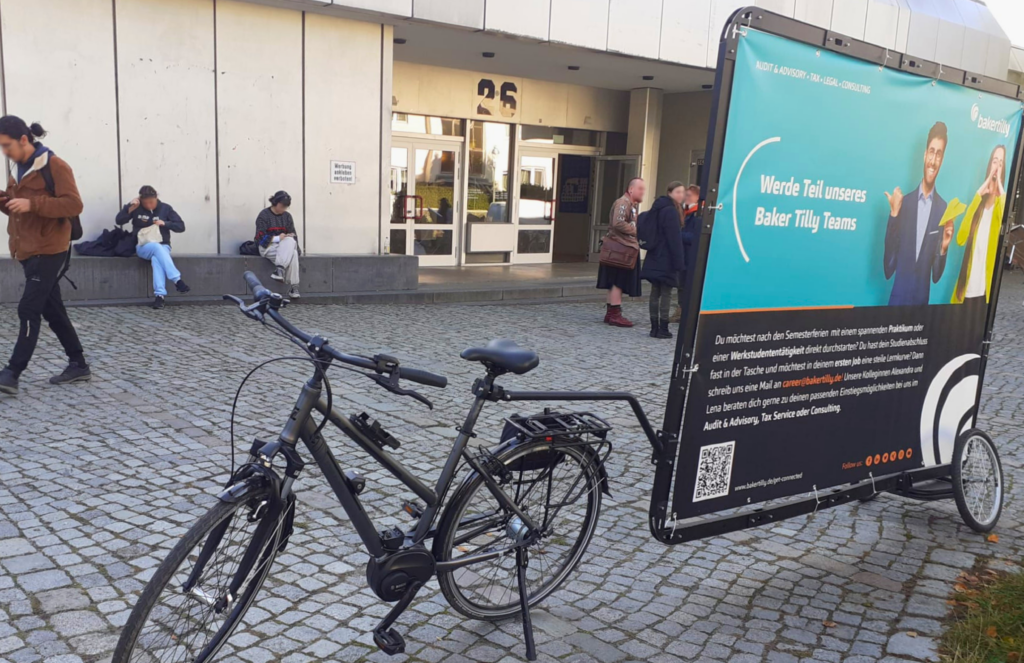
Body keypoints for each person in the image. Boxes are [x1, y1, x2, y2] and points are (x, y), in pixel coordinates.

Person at [0, 117, 90, 395]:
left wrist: (32, 203)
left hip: (50, 250)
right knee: (53, 309)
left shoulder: (55, 165)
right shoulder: (20, 167)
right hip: (28, 251)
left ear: (23, 140)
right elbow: (20, 211)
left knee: (29, 309)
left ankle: (12, 373)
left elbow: (74, 203)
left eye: (7, 145)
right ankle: (79, 364)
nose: (4, 152)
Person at [883, 122, 955, 306]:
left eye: (938, 154)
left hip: (920, 310)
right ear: (924, 155)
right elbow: (888, 268)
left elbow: (936, 276)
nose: (933, 159)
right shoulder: (904, 204)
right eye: (931, 151)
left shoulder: (943, 209)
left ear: (943, 160)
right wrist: (893, 215)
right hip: (896, 306)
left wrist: (944, 247)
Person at [116, 185, 190, 309]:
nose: (149, 205)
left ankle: (159, 296)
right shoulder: (136, 208)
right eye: (145, 203)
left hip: (163, 245)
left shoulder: (165, 208)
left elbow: (181, 226)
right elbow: (119, 221)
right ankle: (177, 280)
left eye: (152, 202)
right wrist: (130, 207)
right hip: (143, 246)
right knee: (156, 248)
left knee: (157, 258)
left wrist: (165, 223)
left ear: (157, 198)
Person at [952, 145, 1007, 304]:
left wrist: (1000, 191)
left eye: (1001, 163)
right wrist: (979, 193)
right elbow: (961, 238)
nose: (996, 167)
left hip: (984, 293)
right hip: (965, 291)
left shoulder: (999, 208)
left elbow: (1005, 230)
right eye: (994, 161)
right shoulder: (978, 206)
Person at [640, 182, 687, 338]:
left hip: (654, 256)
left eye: (683, 192)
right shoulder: (671, 211)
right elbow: (674, 239)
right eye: (678, 192)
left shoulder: (657, 208)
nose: (681, 195)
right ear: (670, 192)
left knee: (655, 292)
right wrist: (679, 262)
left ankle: (654, 327)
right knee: (666, 293)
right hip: (666, 258)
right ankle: (663, 328)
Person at [597, 177, 645, 327]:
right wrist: (637, 231)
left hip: (621, 247)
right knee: (617, 281)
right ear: (631, 189)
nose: (643, 192)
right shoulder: (623, 203)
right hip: (620, 248)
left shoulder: (630, 204)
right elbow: (618, 223)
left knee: (614, 281)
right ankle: (615, 313)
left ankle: (611, 312)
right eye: (640, 189)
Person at [254, 190, 300, 299]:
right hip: (267, 247)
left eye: (286, 207)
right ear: (275, 202)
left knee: (292, 246)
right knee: (292, 254)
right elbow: (260, 238)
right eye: (282, 206)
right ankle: (294, 287)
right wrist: (277, 238)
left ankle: (279, 270)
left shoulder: (287, 216)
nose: (284, 209)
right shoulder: (264, 215)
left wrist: (295, 247)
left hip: (284, 248)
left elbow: (293, 235)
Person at [670, 184, 702, 324]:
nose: (685, 198)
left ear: (697, 197)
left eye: (688, 195)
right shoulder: (684, 212)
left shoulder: (698, 214)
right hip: (683, 255)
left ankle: (687, 311)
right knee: (681, 285)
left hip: (691, 256)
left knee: (689, 285)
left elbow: (696, 237)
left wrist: (678, 235)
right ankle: (681, 309)